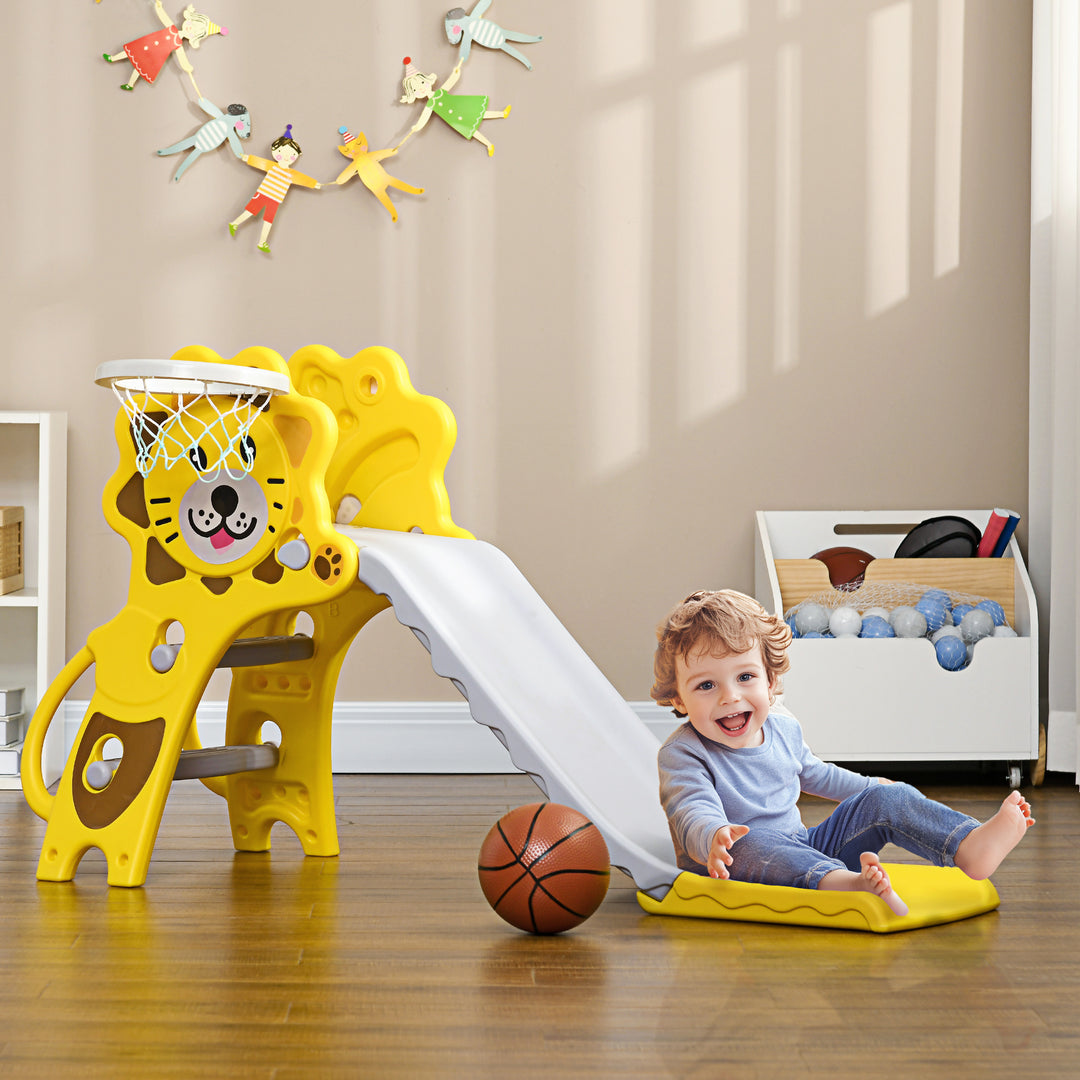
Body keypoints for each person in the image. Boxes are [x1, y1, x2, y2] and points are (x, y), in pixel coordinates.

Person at [653, 589, 1034, 915]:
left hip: (804, 849)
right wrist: (713, 835)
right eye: (706, 685)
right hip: (730, 863)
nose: (730, 696)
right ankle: (849, 885)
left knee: (890, 797)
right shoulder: (683, 753)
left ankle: (969, 846)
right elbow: (690, 809)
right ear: (678, 699)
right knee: (745, 840)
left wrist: (874, 787)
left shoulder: (782, 727)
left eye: (745, 677)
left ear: (770, 681)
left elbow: (818, 774)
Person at [229, 126, 320, 254]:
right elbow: (260, 162)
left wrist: (313, 184)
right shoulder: (272, 166)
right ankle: (235, 224)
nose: (287, 156)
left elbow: (301, 179)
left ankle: (261, 242)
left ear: (297, 155)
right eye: (283, 152)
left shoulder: (291, 174)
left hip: (275, 199)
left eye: (292, 154)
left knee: (268, 220)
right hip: (264, 194)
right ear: (275, 150)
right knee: (250, 212)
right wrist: (248, 158)